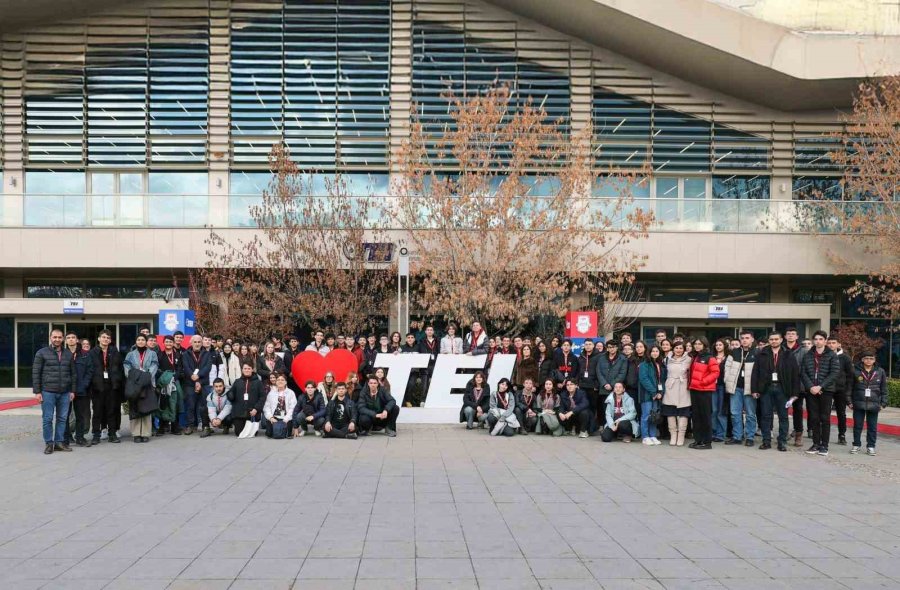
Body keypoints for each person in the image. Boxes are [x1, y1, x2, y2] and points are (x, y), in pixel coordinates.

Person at [751, 332, 800, 452]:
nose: (774, 341)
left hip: (782, 389)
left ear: (781, 340)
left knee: (783, 416)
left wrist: (794, 393)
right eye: (771, 339)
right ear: (769, 340)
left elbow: (795, 374)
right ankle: (766, 441)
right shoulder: (762, 354)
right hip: (766, 388)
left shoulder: (788, 354)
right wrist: (754, 389)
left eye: (776, 339)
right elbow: (755, 373)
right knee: (766, 416)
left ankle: (782, 441)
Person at [33, 328, 77, 454]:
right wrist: (37, 391)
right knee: (47, 419)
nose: (57, 339)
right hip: (48, 391)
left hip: (65, 392)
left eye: (59, 337)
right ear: (50, 338)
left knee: (62, 418)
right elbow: (36, 373)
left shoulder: (68, 354)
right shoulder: (41, 353)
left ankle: (59, 442)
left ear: (62, 339)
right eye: (54, 337)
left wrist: (72, 390)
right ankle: (49, 443)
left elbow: (73, 374)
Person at [800, 330, 840, 456]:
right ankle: (816, 443)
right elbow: (803, 372)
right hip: (811, 390)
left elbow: (834, 373)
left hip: (826, 391)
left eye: (821, 339)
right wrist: (811, 386)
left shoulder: (831, 355)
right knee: (814, 418)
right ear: (813, 341)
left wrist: (821, 386)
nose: (818, 341)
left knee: (825, 418)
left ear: (825, 341)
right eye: (816, 339)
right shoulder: (808, 354)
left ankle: (824, 445)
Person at [88, 329, 124, 444]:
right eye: (103, 337)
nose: (106, 339)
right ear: (99, 339)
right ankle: (96, 435)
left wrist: (118, 382)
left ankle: (112, 434)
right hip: (97, 386)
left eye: (108, 338)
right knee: (97, 411)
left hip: (112, 386)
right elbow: (90, 369)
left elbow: (120, 368)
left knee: (111, 410)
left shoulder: (114, 352)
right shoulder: (93, 352)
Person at [723, 330, 758, 447]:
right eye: (742, 338)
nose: (744, 340)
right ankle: (737, 436)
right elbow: (727, 368)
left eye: (747, 338)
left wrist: (756, 388)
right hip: (736, 388)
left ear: (752, 339)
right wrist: (727, 381)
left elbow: (760, 372)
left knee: (750, 414)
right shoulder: (734, 353)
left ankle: (750, 437)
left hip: (750, 389)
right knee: (735, 413)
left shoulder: (757, 353)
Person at [849, 351, 888, 456]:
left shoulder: (880, 371)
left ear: (874, 360)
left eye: (871, 358)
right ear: (862, 359)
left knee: (872, 427)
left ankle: (871, 446)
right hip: (858, 403)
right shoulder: (855, 371)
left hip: (874, 404)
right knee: (857, 426)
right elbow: (849, 388)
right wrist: (849, 401)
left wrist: (883, 403)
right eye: (866, 358)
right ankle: (856, 445)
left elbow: (884, 388)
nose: (869, 360)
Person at [123, 334, 159, 443]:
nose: (141, 341)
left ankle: (145, 433)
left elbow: (154, 367)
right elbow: (126, 368)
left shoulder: (152, 354)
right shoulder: (130, 354)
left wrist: (146, 378)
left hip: (148, 384)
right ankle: (136, 434)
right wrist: (136, 378)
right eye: (138, 339)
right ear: (136, 341)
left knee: (146, 407)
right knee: (135, 408)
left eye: (143, 339)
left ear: (146, 341)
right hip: (134, 384)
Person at [687, 337, 720, 450]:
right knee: (696, 417)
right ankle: (698, 440)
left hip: (704, 391)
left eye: (700, 344)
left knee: (705, 416)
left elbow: (715, 373)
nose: (697, 346)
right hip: (694, 390)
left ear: (705, 345)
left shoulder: (709, 358)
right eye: (695, 344)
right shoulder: (694, 357)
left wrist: (703, 382)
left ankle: (707, 442)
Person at [63, 332, 94, 447]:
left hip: (81, 390)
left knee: (80, 415)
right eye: (68, 338)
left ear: (77, 340)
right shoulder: (62, 354)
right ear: (66, 341)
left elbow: (90, 371)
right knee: (65, 415)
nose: (71, 340)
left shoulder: (85, 355)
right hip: (66, 390)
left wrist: (84, 385)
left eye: (73, 338)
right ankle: (66, 438)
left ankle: (80, 437)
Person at [826, 335, 854, 446]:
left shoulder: (845, 358)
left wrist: (848, 391)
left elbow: (850, 375)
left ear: (838, 344)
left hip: (840, 389)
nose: (831, 345)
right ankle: (823, 435)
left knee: (841, 413)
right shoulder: (823, 356)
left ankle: (841, 435)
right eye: (829, 343)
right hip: (826, 388)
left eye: (833, 342)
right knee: (824, 413)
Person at [181, 335, 212, 435]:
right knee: (190, 405)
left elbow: (207, 367)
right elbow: (186, 367)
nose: (197, 344)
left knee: (204, 405)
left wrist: (198, 377)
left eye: (199, 342)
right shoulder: (185, 354)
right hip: (190, 383)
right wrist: (193, 377)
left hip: (204, 383)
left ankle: (205, 426)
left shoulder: (207, 354)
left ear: (202, 343)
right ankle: (190, 425)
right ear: (191, 342)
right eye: (195, 342)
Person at [662, 341, 691, 446]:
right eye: (676, 348)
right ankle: (673, 435)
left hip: (683, 387)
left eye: (680, 348)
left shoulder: (689, 359)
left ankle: (681, 435)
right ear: (672, 349)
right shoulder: (666, 359)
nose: (678, 350)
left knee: (683, 412)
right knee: (670, 412)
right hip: (671, 386)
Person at [226, 362, 266, 436]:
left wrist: (256, 409)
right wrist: (230, 395)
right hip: (239, 413)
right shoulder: (237, 381)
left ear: (252, 370)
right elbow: (230, 393)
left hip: (252, 413)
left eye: (249, 368)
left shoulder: (258, 382)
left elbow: (262, 397)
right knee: (239, 433)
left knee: (252, 433)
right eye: (245, 369)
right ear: (242, 370)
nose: (247, 370)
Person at [638, 345, 666, 445]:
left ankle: (653, 435)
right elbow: (644, 379)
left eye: (657, 351)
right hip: (647, 394)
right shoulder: (644, 364)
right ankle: (645, 436)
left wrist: (660, 393)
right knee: (646, 416)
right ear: (649, 353)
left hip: (657, 394)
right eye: (653, 351)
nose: (655, 353)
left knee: (654, 416)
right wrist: (654, 392)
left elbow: (662, 380)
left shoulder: (660, 364)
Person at [156, 335, 183, 436]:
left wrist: (175, 377)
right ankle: (162, 427)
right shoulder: (159, 354)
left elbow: (180, 367)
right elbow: (157, 369)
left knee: (175, 403)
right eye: (167, 342)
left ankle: (175, 427)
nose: (169, 343)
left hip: (175, 381)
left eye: (170, 342)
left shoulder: (177, 355)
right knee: (164, 403)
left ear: (173, 343)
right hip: (163, 381)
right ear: (163, 343)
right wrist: (165, 377)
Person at [784, 327, 807, 445]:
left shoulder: (803, 351)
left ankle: (798, 434)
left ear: (797, 337)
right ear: (785, 336)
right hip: (783, 385)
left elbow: (805, 369)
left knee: (798, 410)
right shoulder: (781, 349)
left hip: (798, 386)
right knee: (783, 410)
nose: (791, 336)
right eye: (788, 334)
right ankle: (784, 433)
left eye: (793, 334)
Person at [576, 339, 601, 432]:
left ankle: (591, 428)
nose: (588, 346)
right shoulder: (581, 356)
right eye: (586, 344)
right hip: (582, 386)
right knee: (583, 407)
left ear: (593, 346)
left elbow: (600, 371)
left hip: (593, 386)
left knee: (592, 408)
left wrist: (597, 384)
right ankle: (583, 427)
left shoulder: (599, 356)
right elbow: (578, 371)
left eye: (590, 344)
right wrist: (577, 383)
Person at [263, 373, 296, 438]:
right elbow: (266, 407)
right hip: (274, 417)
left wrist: (286, 419)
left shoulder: (291, 393)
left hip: (286, 418)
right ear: (276, 382)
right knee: (269, 434)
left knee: (285, 434)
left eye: (282, 380)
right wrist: (270, 417)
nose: (280, 381)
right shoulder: (271, 393)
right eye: (278, 380)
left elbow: (293, 408)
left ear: (286, 382)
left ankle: (289, 429)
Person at [711, 338, 730, 442]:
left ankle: (720, 434)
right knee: (713, 410)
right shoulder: (712, 357)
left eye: (720, 345)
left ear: (724, 346)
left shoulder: (728, 358)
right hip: (712, 386)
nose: (718, 347)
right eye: (717, 345)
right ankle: (712, 432)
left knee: (721, 411)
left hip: (723, 386)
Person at [417, 325, 440, 396]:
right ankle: (423, 400)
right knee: (424, 384)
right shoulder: (421, 341)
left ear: (433, 332)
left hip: (435, 364)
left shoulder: (437, 341)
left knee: (436, 383)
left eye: (431, 330)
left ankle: (436, 398)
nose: (429, 331)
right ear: (425, 332)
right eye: (428, 330)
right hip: (425, 364)